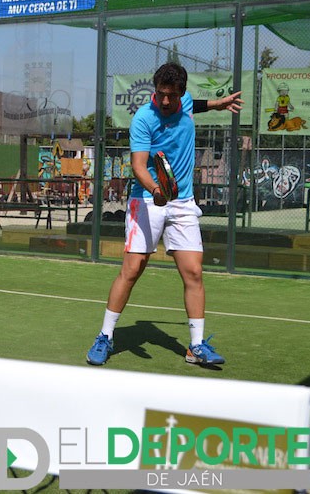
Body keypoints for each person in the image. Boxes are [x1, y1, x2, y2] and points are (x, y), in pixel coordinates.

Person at [86, 63, 243, 366]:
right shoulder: (144, 118)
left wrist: (217, 104)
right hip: (146, 200)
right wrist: (157, 191)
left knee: (194, 272)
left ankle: (196, 347)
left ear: (182, 92)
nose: (166, 101)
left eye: (172, 96)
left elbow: (194, 105)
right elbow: (139, 166)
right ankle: (105, 336)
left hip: (182, 202)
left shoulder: (183, 103)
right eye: (160, 95)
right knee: (132, 269)